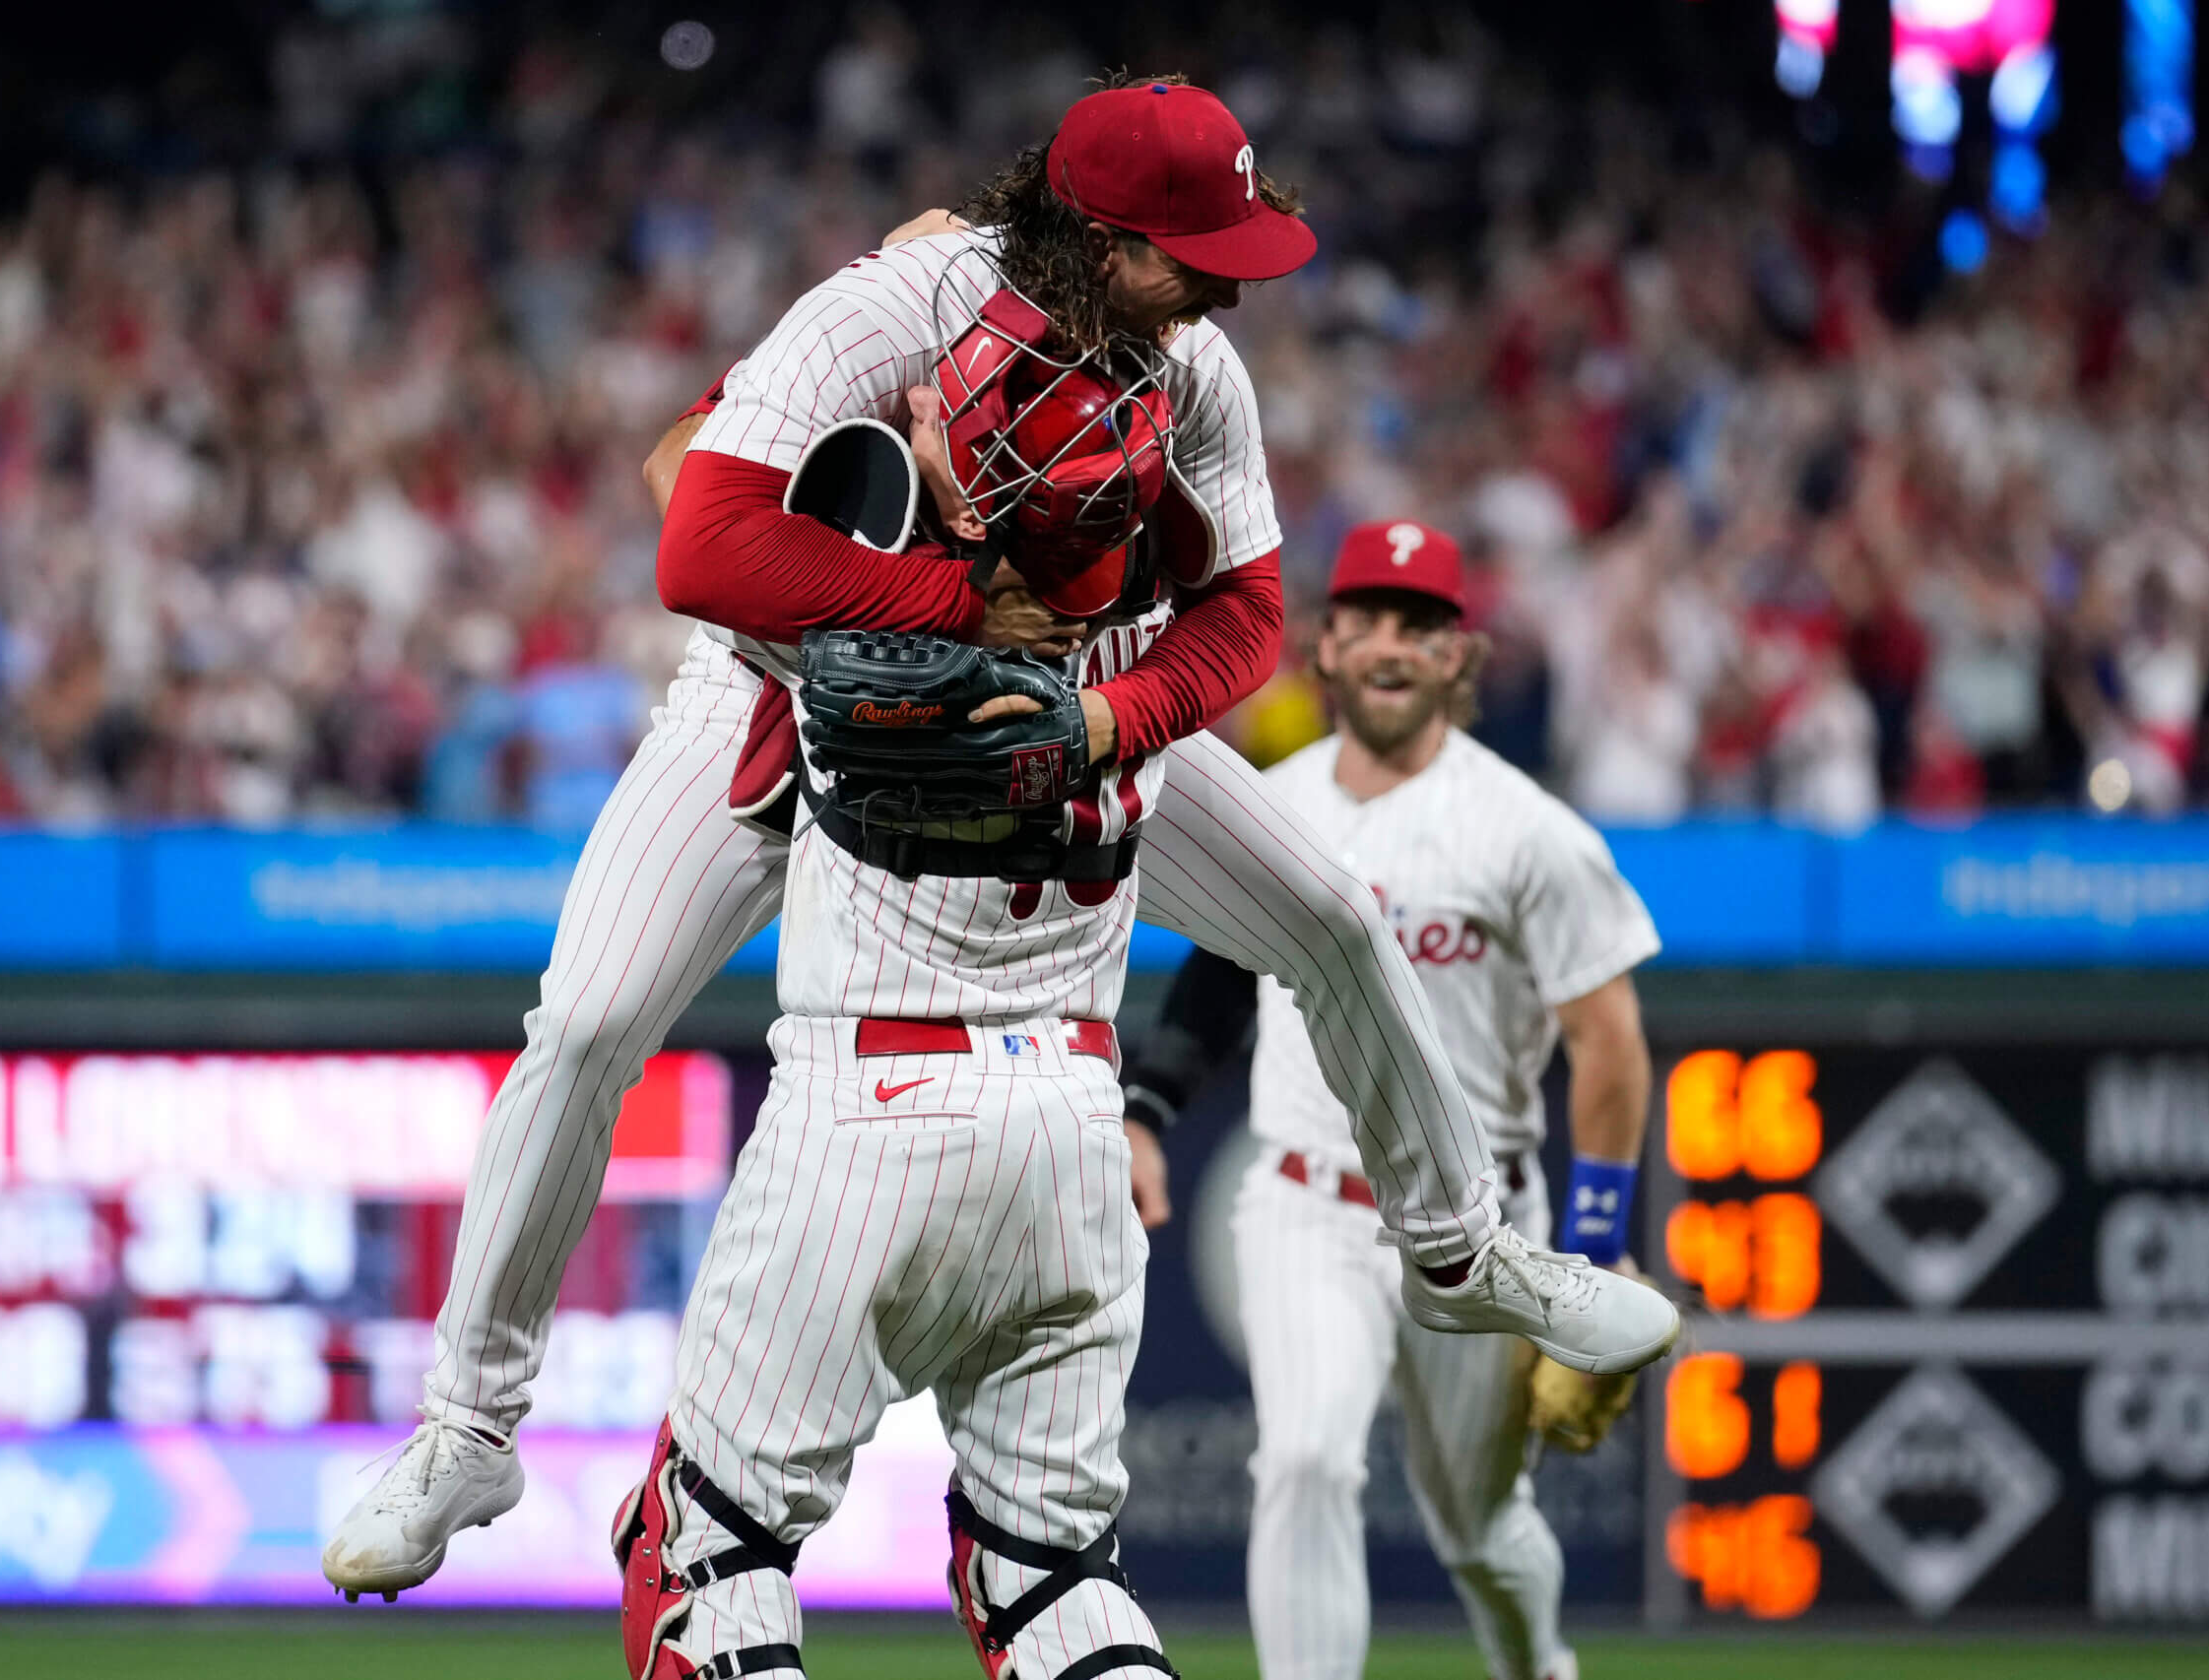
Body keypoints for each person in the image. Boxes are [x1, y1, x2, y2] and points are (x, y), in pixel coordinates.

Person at [322, 78, 1678, 1631]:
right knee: (583, 1025)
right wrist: (968, 616)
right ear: (1098, 239)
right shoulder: (897, 303)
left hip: (1062, 708)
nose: (1229, 279)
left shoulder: (1196, 367)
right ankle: (468, 1430)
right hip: (774, 692)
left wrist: (1113, 719)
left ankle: (1460, 1249)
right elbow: (695, 538)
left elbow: (1242, 616)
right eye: (1194, 248)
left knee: (1332, 915)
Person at [1120, 520, 1663, 1680]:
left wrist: (1599, 1243)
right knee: (1305, 1460)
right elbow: (1220, 973)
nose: (1386, 645)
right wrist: (1148, 1109)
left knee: (1479, 1524)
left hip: (1479, 1221)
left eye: (1415, 625)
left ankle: (1537, 1665)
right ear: (1322, 645)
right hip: (1306, 1202)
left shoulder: (1531, 831)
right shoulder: (1273, 801)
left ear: (1459, 656)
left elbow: (1608, 1041)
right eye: (1363, 618)